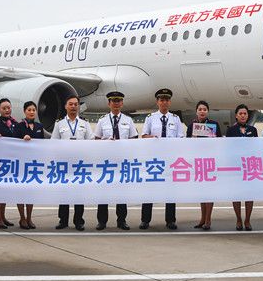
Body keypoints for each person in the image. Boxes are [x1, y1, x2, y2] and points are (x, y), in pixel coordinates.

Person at [140, 88, 185, 230]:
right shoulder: (150, 118)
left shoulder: (176, 119)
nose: (164, 102)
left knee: (170, 190)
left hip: (170, 160)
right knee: (149, 190)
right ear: (157, 102)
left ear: (170, 102)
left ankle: (170, 220)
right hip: (154, 160)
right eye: (162, 100)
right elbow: (144, 135)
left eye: (167, 100)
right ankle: (145, 220)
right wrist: (152, 138)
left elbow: (181, 137)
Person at [93, 91, 138, 231]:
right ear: (109, 103)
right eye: (114, 101)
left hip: (122, 162)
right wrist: (106, 141)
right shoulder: (102, 120)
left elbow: (134, 139)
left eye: (119, 101)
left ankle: (122, 220)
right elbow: (96, 139)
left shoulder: (128, 120)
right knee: (103, 193)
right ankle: (102, 221)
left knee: (121, 193)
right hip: (106, 162)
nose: (116, 103)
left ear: (122, 103)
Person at [52, 95, 93, 231]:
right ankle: (63, 220)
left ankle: (79, 221)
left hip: (80, 164)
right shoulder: (59, 124)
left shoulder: (85, 124)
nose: (73, 107)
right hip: (64, 164)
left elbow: (91, 142)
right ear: (66, 106)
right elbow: (54, 143)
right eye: (71, 104)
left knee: (79, 194)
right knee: (64, 193)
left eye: (76, 104)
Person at [186, 100, 222, 230]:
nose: (202, 111)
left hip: (210, 161)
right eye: (200, 109)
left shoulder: (214, 124)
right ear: (196, 111)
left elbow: (219, 142)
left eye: (204, 109)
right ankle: (202, 218)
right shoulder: (192, 126)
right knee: (201, 191)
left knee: (209, 191)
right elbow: (187, 144)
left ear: (208, 111)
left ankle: (208, 219)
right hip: (197, 162)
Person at [0, 98, 21, 229]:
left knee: (5, 190)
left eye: (8, 108)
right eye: (4, 108)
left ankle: (2, 216)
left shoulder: (16, 124)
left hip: (11, 162)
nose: (7, 110)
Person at [14, 100, 47, 229]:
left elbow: (42, 144)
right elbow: (13, 143)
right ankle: (22, 218)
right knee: (20, 192)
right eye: (29, 110)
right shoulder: (19, 126)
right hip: (21, 163)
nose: (32, 112)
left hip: (34, 164)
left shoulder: (39, 126)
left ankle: (29, 218)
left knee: (30, 192)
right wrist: (22, 141)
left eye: (34, 110)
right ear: (24, 111)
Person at [226, 104, 258, 231]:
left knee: (249, 194)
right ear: (236, 115)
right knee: (236, 194)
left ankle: (247, 220)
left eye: (245, 113)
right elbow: (228, 148)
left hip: (250, 166)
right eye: (240, 113)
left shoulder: (253, 130)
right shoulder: (231, 130)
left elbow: (256, 147)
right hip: (236, 166)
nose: (243, 115)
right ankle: (238, 219)